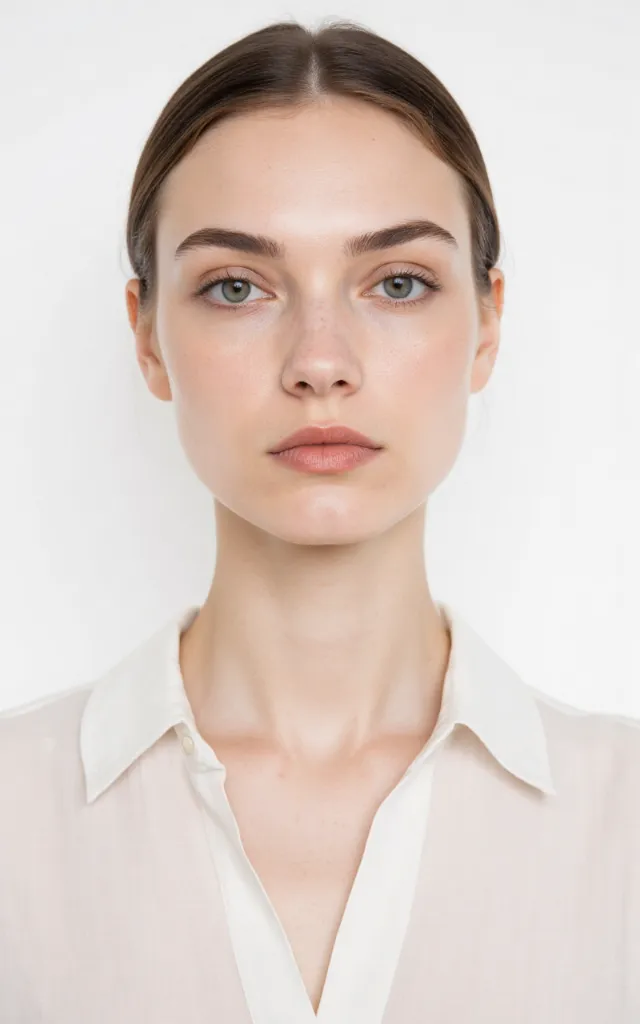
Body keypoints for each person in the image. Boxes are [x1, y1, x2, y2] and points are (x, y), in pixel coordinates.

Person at [1, 17, 639, 1024]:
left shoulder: (625, 827)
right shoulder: (13, 819)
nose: (320, 359)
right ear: (148, 337)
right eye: (236, 286)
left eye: (396, 282)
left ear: (487, 324)